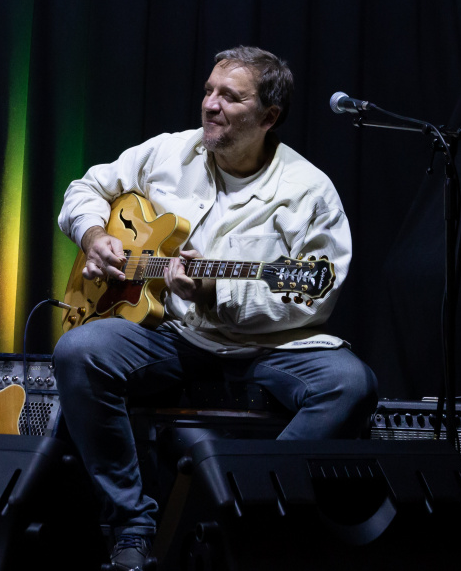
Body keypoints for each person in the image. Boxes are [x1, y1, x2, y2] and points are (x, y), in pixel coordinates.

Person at [54, 46, 378, 571]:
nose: (210, 104)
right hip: (173, 333)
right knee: (79, 351)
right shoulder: (168, 152)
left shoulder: (309, 191)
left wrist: (214, 293)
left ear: (268, 117)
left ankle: (247, 508)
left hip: (270, 346)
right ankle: (131, 525)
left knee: (351, 385)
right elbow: (85, 187)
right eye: (209, 90)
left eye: (230, 96)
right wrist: (93, 235)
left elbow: (312, 296)